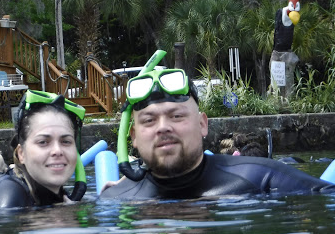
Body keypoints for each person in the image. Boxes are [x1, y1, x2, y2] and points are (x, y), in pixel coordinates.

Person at [100, 50, 335, 200]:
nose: (163, 127)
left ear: (203, 125)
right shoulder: (114, 200)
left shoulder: (262, 177)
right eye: (149, 120)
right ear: (133, 137)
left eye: (177, 116)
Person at [0, 90, 87, 213]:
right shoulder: (7, 194)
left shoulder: (58, 196)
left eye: (66, 141)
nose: (57, 151)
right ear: (21, 154)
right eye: (43, 142)